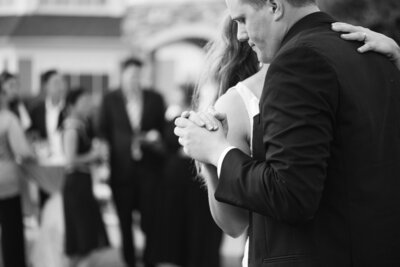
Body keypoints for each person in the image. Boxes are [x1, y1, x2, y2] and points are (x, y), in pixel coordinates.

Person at [175, 0, 400, 266]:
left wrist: (216, 151)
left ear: (274, 6)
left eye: (243, 19)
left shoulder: (297, 61)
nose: (240, 35)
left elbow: (290, 193)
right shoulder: (380, 54)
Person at [98, 57, 166, 267]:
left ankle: (149, 260)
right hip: (121, 170)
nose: (135, 80)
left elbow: (163, 132)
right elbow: (102, 133)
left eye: (138, 75)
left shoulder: (155, 98)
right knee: (124, 221)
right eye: (131, 75)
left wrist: (153, 139)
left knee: (150, 220)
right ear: (123, 76)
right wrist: (104, 164)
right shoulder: (110, 99)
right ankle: (128, 261)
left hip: (149, 170)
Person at [152, 83, 222, 267]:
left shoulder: (198, 115)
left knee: (196, 221)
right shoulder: (170, 114)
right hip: (175, 178)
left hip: (193, 176)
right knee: (175, 221)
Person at [62, 87, 110, 267]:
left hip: (83, 182)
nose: (88, 106)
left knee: (85, 237)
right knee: (80, 237)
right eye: (83, 103)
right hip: (75, 185)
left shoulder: (83, 125)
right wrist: (94, 155)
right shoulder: (72, 128)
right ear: (72, 105)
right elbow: (70, 160)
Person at [0, 74, 36, 267]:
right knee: (11, 228)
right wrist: (33, 153)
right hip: (6, 179)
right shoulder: (8, 119)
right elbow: (22, 150)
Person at [29, 69, 67, 208]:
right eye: (56, 83)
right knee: (46, 207)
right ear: (46, 86)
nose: (61, 86)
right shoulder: (36, 110)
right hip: (45, 167)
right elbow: (31, 136)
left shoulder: (70, 109)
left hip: (67, 166)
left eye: (62, 82)